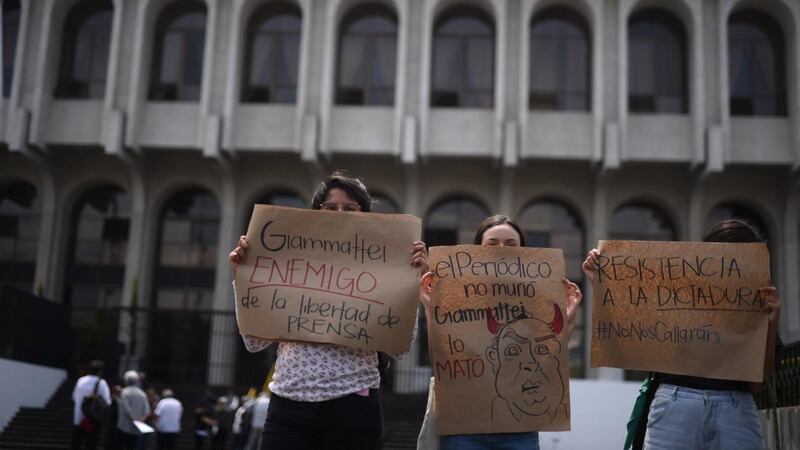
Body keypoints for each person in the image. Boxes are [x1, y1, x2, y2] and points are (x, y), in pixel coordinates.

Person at [229, 170, 428, 450]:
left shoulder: (384, 264)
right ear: (315, 212)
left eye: (350, 208)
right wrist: (243, 277)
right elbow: (253, 341)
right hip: (288, 407)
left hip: (352, 408)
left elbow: (400, 347)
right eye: (330, 207)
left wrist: (411, 282)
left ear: (365, 215)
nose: (339, 214)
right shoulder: (289, 260)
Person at [582, 219, 781, 450]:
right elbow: (636, 323)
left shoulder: (758, 306)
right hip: (676, 404)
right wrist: (602, 279)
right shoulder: (679, 293)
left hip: (734, 408)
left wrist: (772, 322)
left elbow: (758, 384)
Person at [418, 215, 583, 450]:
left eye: (511, 244)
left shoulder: (539, 299)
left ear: (523, 251)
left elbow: (550, 359)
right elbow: (443, 353)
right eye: (492, 244)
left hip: (519, 430)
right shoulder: (457, 296)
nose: (502, 249)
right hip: (464, 425)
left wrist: (569, 316)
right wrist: (429, 305)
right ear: (477, 250)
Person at [71, 360, 112, 450]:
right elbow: (107, 402)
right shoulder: (102, 383)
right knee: (91, 445)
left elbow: (74, 397)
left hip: (78, 419)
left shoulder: (80, 381)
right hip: (93, 420)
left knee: (76, 444)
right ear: (100, 371)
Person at [112, 371, 151, 450]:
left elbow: (126, 409)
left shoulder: (124, 392)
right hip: (136, 429)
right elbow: (147, 411)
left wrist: (133, 419)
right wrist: (139, 421)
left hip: (123, 426)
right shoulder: (143, 394)